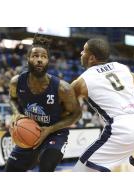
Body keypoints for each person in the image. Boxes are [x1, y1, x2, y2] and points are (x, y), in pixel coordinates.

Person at [71, 38, 134, 172]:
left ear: (92, 58)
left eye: (84, 50)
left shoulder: (83, 80)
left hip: (121, 128)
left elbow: (65, 96)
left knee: (79, 170)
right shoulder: (120, 67)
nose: (81, 53)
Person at [5, 35, 81, 172]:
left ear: (48, 61)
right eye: (35, 56)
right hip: (30, 131)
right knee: (10, 170)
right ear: (28, 59)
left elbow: (77, 114)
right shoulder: (16, 82)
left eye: (44, 56)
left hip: (55, 133)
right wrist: (16, 114)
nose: (39, 59)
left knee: (46, 166)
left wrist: (50, 130)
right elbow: (12, 99)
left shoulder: (63, 88)